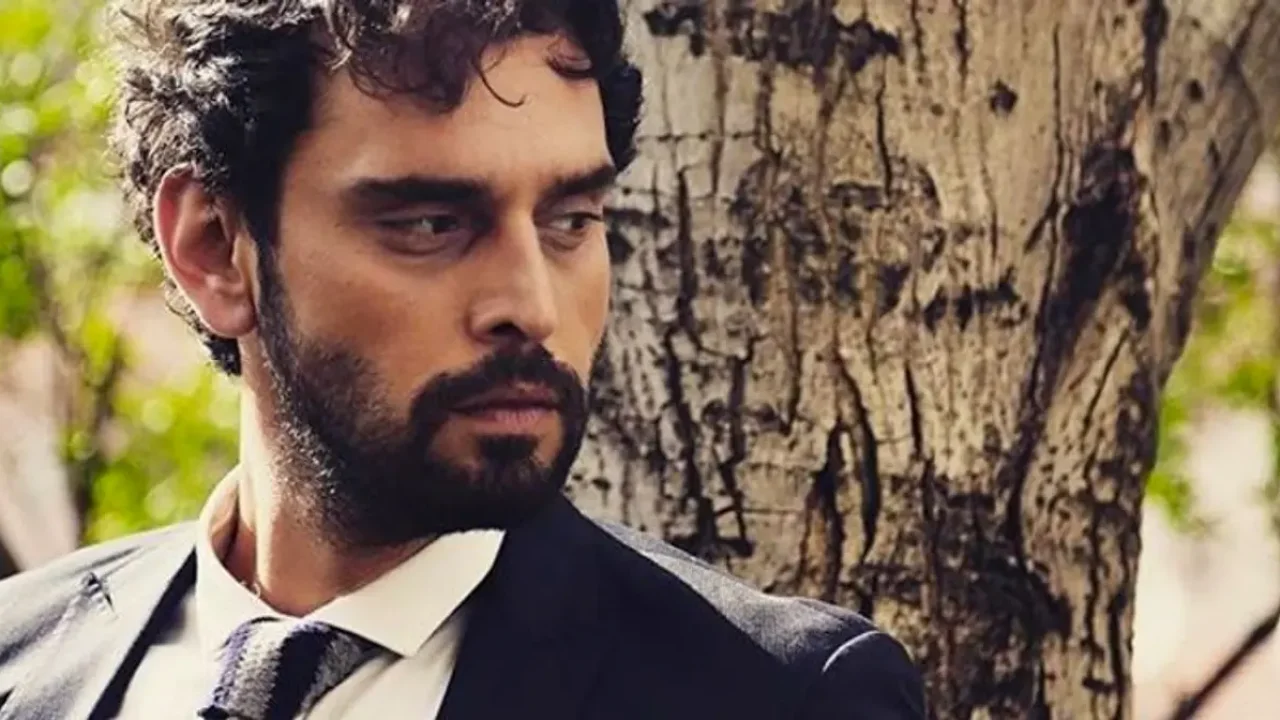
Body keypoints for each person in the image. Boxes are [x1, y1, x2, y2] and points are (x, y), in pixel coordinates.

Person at [0, 1, 926, 718]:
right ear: (213, 247)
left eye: (572, 220)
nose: (531, 305)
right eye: (432, 224)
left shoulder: (777, 698)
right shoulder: (24, 658)